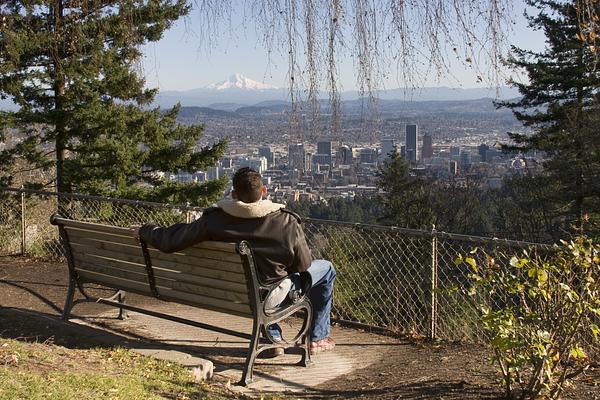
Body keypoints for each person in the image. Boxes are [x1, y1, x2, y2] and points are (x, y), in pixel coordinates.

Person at [131, 167, 336, 355]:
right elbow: (303, 266)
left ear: (233, 194)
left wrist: (145, 230)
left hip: (228, 292)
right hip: (270, 296)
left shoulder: (214, 220)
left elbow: (171, 240)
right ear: (264, 190)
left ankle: (273, 336)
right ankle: (317, 338)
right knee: (326, 269)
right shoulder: (286, 221)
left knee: (264, 280)